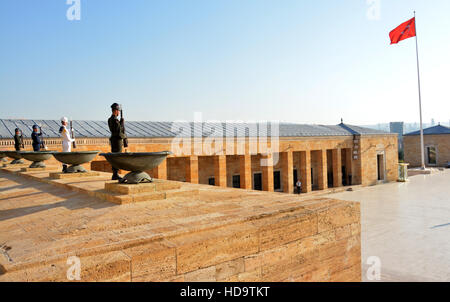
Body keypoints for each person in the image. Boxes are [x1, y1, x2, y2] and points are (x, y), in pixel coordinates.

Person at [108, 103, 127, 181]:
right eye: (118, 111)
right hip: (117, 141)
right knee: (117, 157)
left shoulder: (110, 119)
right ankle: (115, 174)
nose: (119, 112)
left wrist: (121, 123)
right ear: (115, 111)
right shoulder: (115, 120)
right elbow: (119, 133)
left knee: (115, 156)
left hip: (114, 140)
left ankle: (115, 174)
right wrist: (125, 136)